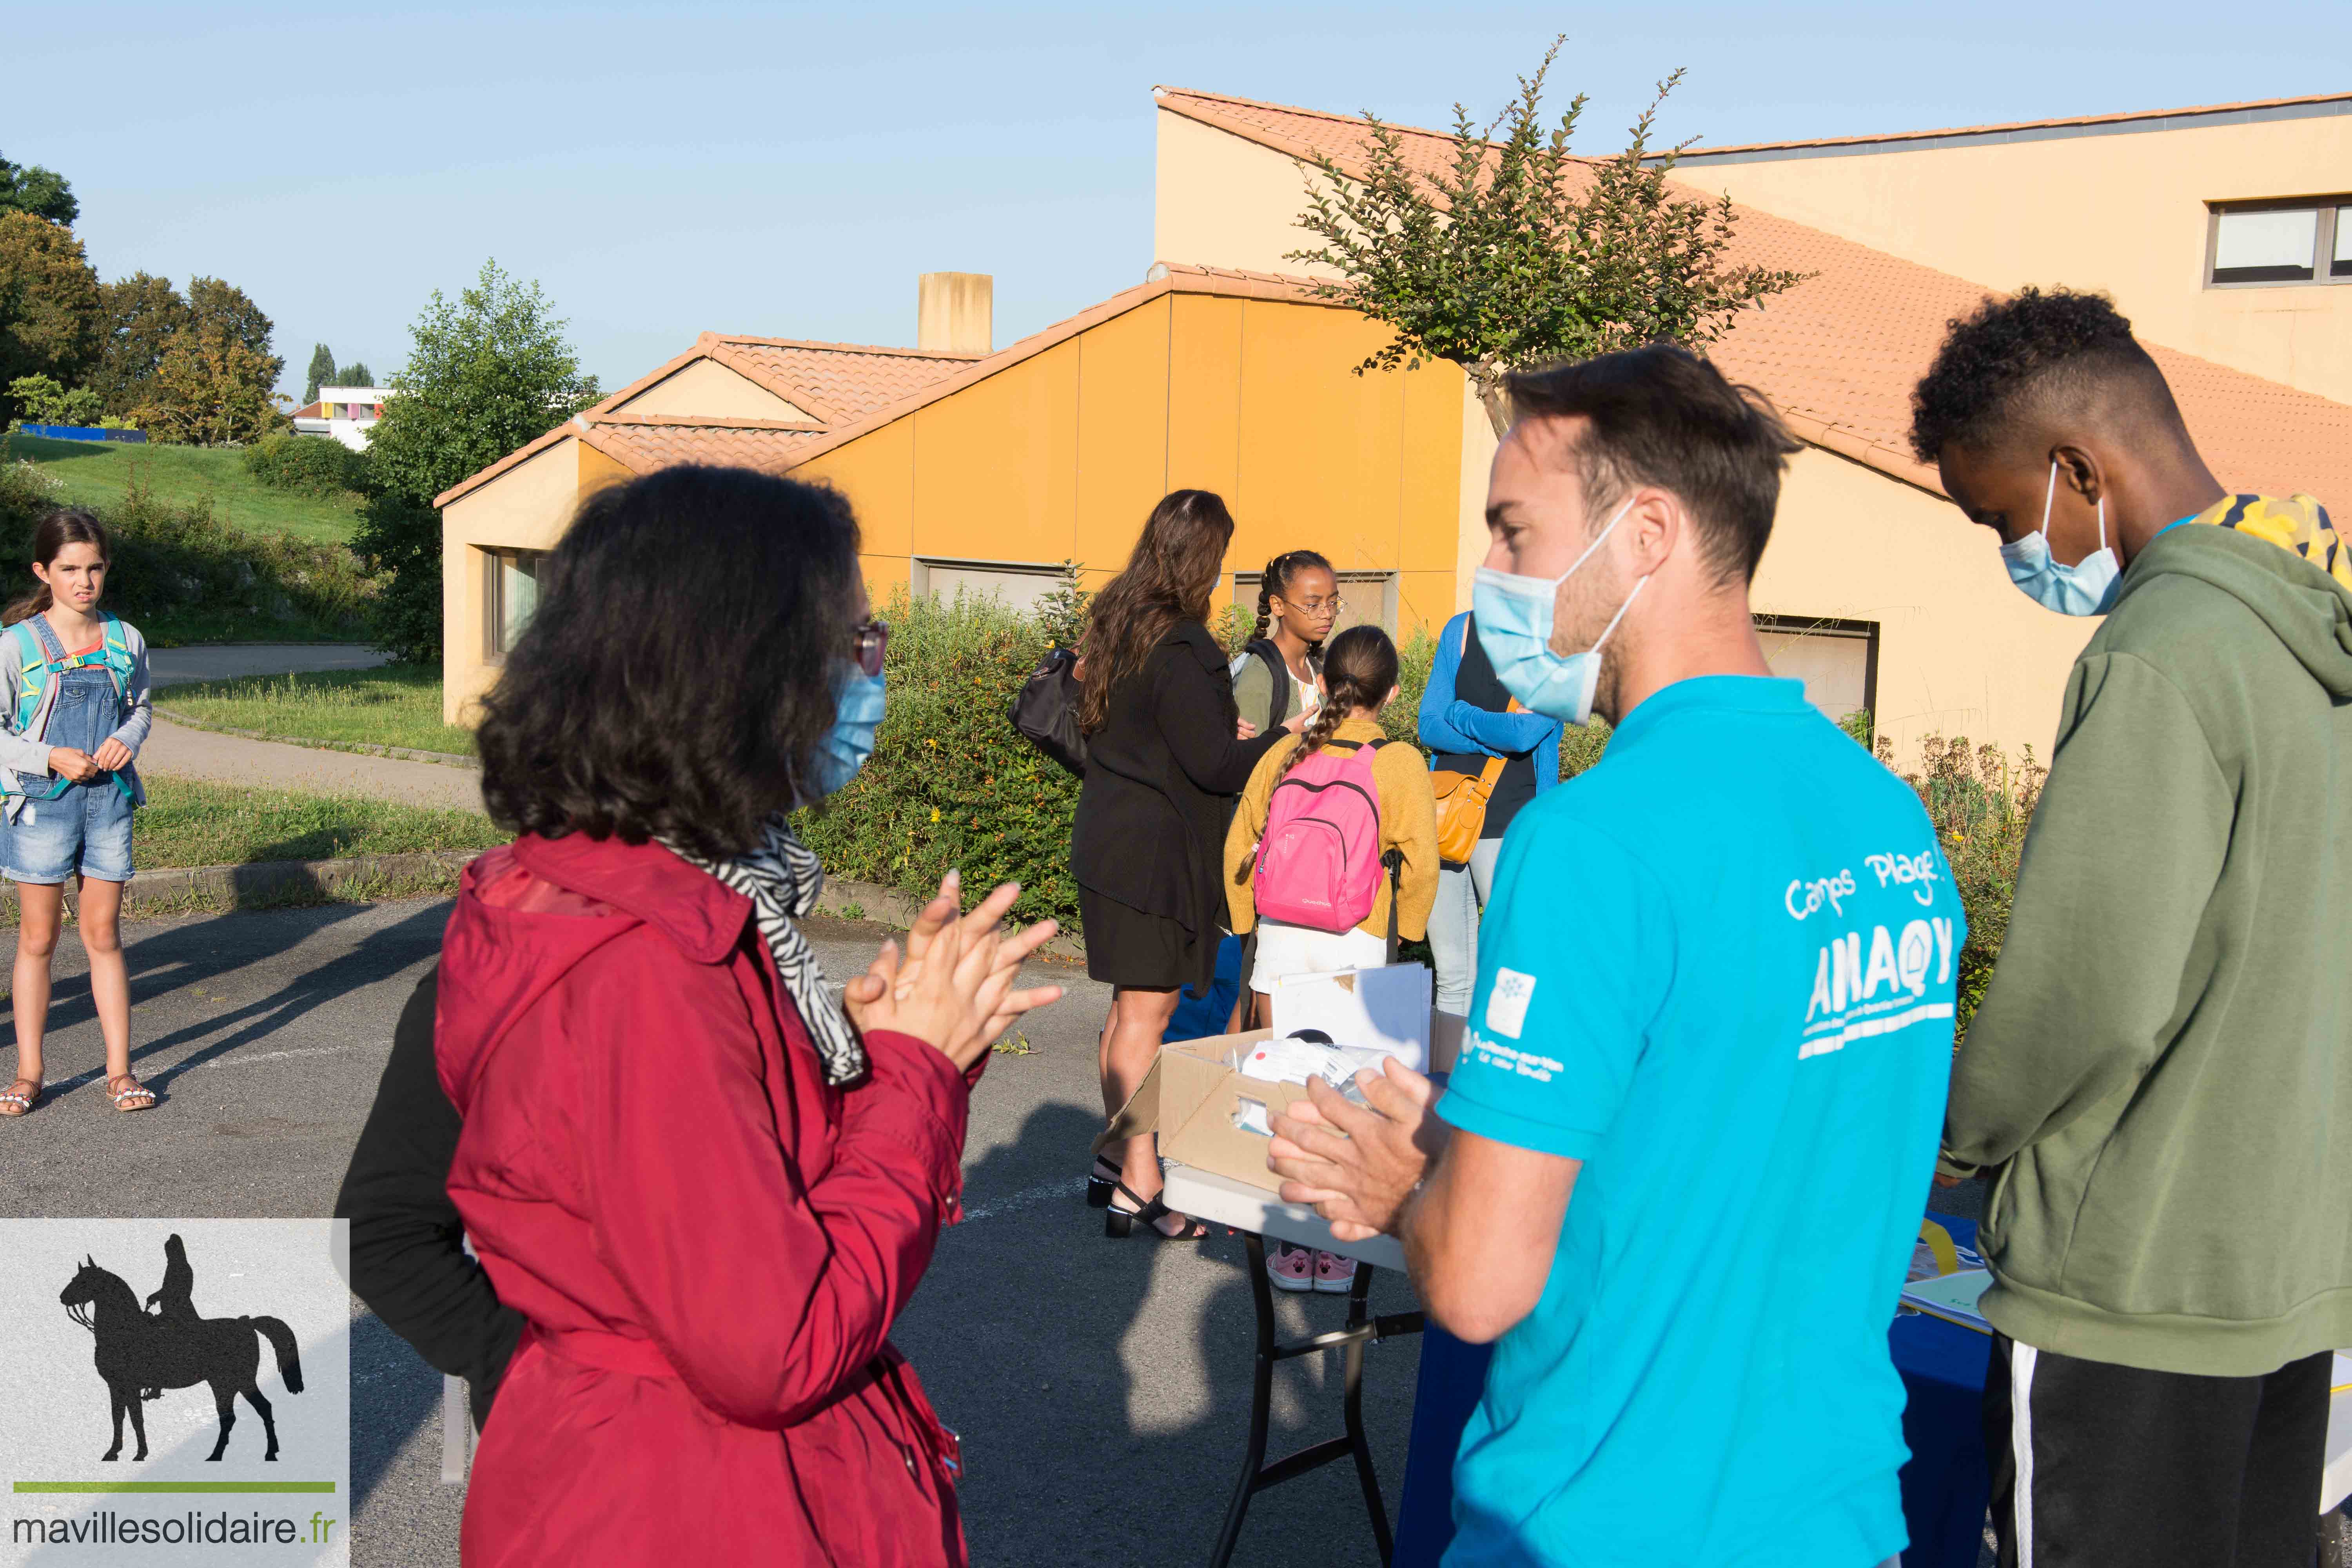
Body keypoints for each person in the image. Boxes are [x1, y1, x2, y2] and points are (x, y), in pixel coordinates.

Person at [1265, 344, 1961, 1566]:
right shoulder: (1883, 814)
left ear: (1644, 532)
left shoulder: (1593, 838)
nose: (1488, 575)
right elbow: (1730, 1124)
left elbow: (1477, 1285)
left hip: (1604, 1516)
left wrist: (1403, 1191)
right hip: (1835, 1512)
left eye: (1512, 532)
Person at [432, 465, 1063, 1566]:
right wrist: (911, 1075)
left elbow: (694, 1186)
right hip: (692, 1504)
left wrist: (850, 1064)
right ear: (746, 666)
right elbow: (774, 1341)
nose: (875, 675)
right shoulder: (641, 961)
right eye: (857, 641)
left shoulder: (652, 897)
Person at [1909, 288, 2352, 1568]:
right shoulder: (2313, 639)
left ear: (2075, 471)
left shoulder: (2163, 654)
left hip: (2129, 1289)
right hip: (2282, 1276)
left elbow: (2086, 989)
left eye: (2001, 518)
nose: (2014, 549)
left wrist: (1957, 1134)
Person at [1072, 489, 1297, 1239]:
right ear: (1205, 559)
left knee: (1123, 1011)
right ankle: (1142, 1179)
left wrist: (1213, 727)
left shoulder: (1118, 624)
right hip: (1156, 852)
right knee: (1148, 1014)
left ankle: (1115, 1159)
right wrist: (1283, 736)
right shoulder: (1188, 645)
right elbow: (1216, 768)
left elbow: (1143, 731)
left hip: (1107, 836)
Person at [1224, 622, 1436, 1293]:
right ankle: (1336, 1249)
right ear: (1392, 694)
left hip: (1282, 942)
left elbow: (1239, 842)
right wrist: (1410, 935)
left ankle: (1288, 1245)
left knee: (1287, 1089)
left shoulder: (1287, 751)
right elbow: (1423, 864)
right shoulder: (1397, 762)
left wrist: (1242, 923)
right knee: (1348, 1092)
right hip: (1357, 940)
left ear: (1324, 683)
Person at [0, 509, 153, 1119]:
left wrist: (129, 739)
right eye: (69, 570)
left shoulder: (127, 640)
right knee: (38, 939)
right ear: (44, 571)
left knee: (103, 936)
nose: (83, 581)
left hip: (110, 803)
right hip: (42, 806)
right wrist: (48, 755)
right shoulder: (16, 646)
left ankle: (120, 1072)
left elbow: (140, 707)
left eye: (93, 568)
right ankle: (29, 1073)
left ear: (106, 569)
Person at [1418, 609, 1562, 1017]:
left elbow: (1525, 734)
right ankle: (1446, 1079)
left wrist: (1461, 714)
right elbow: (1429, 725)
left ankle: (1495, 1076)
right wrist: (1488, 738)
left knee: (1511, 975)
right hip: (1446, 816)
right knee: (1452, 977)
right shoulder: (1461, 629)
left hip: (1511, 825)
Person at [1229, 549, 1338, 738]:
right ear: (1278, 606)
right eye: (1313, 605)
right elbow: (1249, 758)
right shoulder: (1259, 674)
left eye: (1333, 602)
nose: (1327, 614)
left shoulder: (1317, 671)